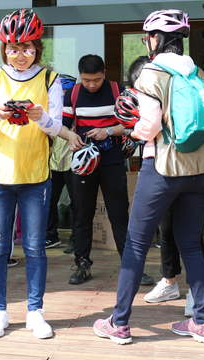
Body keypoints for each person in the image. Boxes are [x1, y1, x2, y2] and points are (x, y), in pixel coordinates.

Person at [93, 9, 204, 344]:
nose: (146, 42)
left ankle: (119, 323)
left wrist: (131, 128)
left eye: (147, 36)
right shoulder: (200, 73)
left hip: (162, 168)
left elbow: (148, 127)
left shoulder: (151, 73)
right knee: (191, 244)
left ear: (156, 39)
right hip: (201, 169)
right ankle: (201, 322)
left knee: (136, 243)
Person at [0, 8, 83, 339]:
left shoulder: (50, 79)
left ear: (37, 48)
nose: (21, 55)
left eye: (27, 48)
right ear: (4, 48)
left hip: (36, 176)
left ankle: (35, 312)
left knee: (35, 247)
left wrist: (39, 116)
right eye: (14, 48)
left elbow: (56, 127)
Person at [64, 54, 153, 286]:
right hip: (84, 162)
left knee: (119, 214)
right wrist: (71, 137)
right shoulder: (72, 93)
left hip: (112, 161)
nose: (91, 85)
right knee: (82, 214)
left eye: (96, 79)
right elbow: (63, 126)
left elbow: (134, 123)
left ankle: (132, 267)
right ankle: (82, 264)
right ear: (80, 77)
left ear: (104, 74)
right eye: (86, 80)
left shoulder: (117, 91)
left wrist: (109, 131)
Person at [47, 74, 76, 250]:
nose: (63, 95)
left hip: (73, 161)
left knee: (76, 202)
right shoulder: (51, 108)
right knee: (49, 200)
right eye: (61, 91)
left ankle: (76, 238)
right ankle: (51, 236)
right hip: (53, 161)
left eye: (66, 91)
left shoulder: (76, 107)